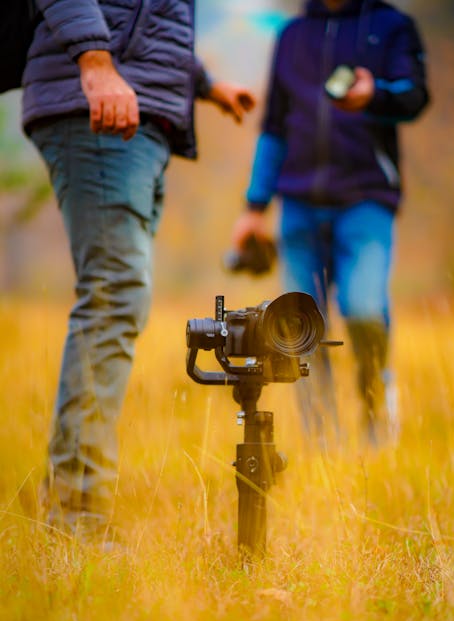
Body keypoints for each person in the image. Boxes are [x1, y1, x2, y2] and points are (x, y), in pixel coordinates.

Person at [22, 1, 255, 541]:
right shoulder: (97, 70)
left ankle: (75, 503)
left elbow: (148, 17)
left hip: (139, 118)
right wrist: (96, 64)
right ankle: (76, 517)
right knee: (114, 298)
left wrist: (204, 83)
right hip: (100, 107)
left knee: (118, 301)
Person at [231, 0, 430, 447]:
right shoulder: (292, 36)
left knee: (362, 309)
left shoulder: (392, 26)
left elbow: (415, 95)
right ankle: (324, 443)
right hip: (298, 204)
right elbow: (274, 126)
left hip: (366, 199)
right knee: (300, 330)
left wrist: (375, 93)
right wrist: (254, 207)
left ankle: (376, 402)